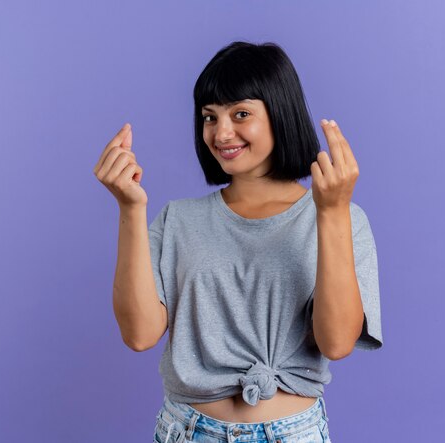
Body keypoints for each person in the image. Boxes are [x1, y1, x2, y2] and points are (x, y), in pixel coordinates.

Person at [93, 41, 383, 443]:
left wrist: (331, 211)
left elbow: (335, 342)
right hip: (188, 431)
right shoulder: (178, 219)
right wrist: (130, 208)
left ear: (279, 113)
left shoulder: (342, 218)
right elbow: (139, 335)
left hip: (294, 433)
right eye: (209, 117)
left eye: (240, 114)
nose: (221, 132)